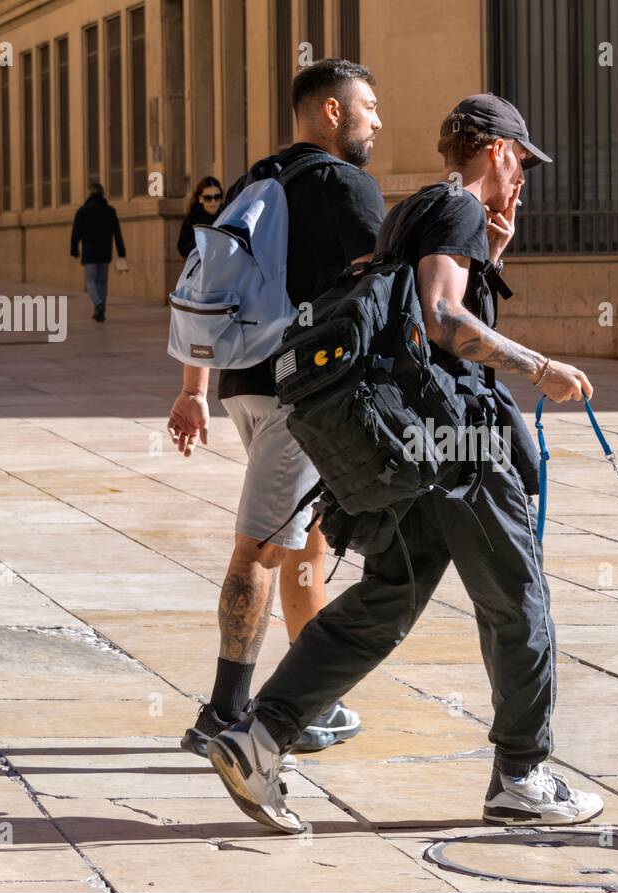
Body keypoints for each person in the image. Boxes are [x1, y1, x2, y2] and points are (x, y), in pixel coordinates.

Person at [207, 93, 604, 834]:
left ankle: (259, 736)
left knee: (387, 598)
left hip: (407, 444)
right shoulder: (457, 208)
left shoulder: (416, 210)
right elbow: (443, 319)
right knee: (517, 598)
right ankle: (522, 776)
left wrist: (495, 252)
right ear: (495, 149)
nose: (523, 178)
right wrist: (540, 367)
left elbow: (416, 316)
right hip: (459, 445)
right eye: (522, 161)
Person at [167, 59, 385, 758]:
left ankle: (311, 698)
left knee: (305, 543)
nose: (378, 121)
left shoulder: (255, 180)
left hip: (245, 381)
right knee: (261, 546)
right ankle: (225, 713)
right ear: (332, 111)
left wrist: (194, 388)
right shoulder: (345, 184)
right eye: (369, 107)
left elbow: (209, 285)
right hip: (303, 396)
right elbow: (386, 287)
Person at [69, 182, 126, 322]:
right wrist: (121, 251)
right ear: (102, 193)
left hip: (89, 253)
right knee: (102, 281)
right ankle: (100, 309)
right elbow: (117, 233)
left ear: (89, 193)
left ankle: (98, 304)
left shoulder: (83, 210)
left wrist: (74, 249)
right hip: (105, 252)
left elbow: (75, 232)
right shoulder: (109, 210)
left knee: (90, 281)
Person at [177, 176, 224, 259]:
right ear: (200, 198)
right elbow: (183, 247)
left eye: (217, 197)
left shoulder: (226, 214)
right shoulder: (193, 218)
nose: (213, 202)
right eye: (208, 198)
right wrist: (202, 244)